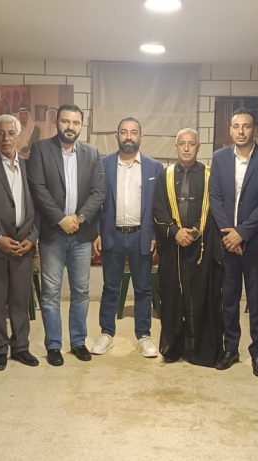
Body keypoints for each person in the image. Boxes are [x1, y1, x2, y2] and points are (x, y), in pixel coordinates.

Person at [26, 103, 107, 366]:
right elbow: (38, 188)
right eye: (65, 121)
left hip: (81, 235)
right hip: (52, 234)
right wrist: (61, 219)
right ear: (57, 122)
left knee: (81, 291)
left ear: (81, 125)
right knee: (50, 292)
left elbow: (99, 191)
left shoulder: (92, 153)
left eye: (75, 122)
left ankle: (78, 341)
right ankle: (53, 345)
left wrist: (79, 218)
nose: (70, 127)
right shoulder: (41, 149)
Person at [208, 107, 258, 376]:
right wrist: (230, 235)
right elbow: (215, 197)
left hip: (254, 243)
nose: (241, 131)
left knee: (257, 301)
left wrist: (242, 233)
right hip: (227, 243)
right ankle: (231, 348)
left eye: (246, 126)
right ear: (230, 130)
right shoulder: (219, 158)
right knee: (228, 300)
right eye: (236, 126)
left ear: (255, 130)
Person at [91, 117, 164, 358]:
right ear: (117, 136)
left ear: (141, 136)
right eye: (124, 132)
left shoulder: (154, 167)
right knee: (110, 287)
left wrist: (154, 234)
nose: (129, 137)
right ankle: (106, 333)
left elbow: (158, 206)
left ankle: (144, 336)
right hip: (112, 234)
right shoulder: (104, 164)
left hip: (141, 236)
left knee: (143, 289)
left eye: (133, 132)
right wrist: (98, 232)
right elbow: (96, 201)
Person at [154, 128, 225, 366]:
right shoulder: (164, 175)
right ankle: (174, 346)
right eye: (182, 144)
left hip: (202, 246)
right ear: (176, 147)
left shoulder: (209, 175)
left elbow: (214, 208)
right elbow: (158, 209)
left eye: (191, 144)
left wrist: (195, 230)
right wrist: (175, 232)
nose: (186, 148)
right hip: (173, 247)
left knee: (202, 296)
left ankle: (201, 350)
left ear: (198, 147)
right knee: (173, 297)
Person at [0, 114, 41, 370]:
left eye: (11, 133)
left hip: (24, 245)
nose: (6, 138)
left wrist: (32, 238)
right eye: (1, 133)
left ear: (19, 136)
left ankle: (21, 347)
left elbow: (39, 206)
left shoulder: (29, 166)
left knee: (20, 299)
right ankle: (0, 348)